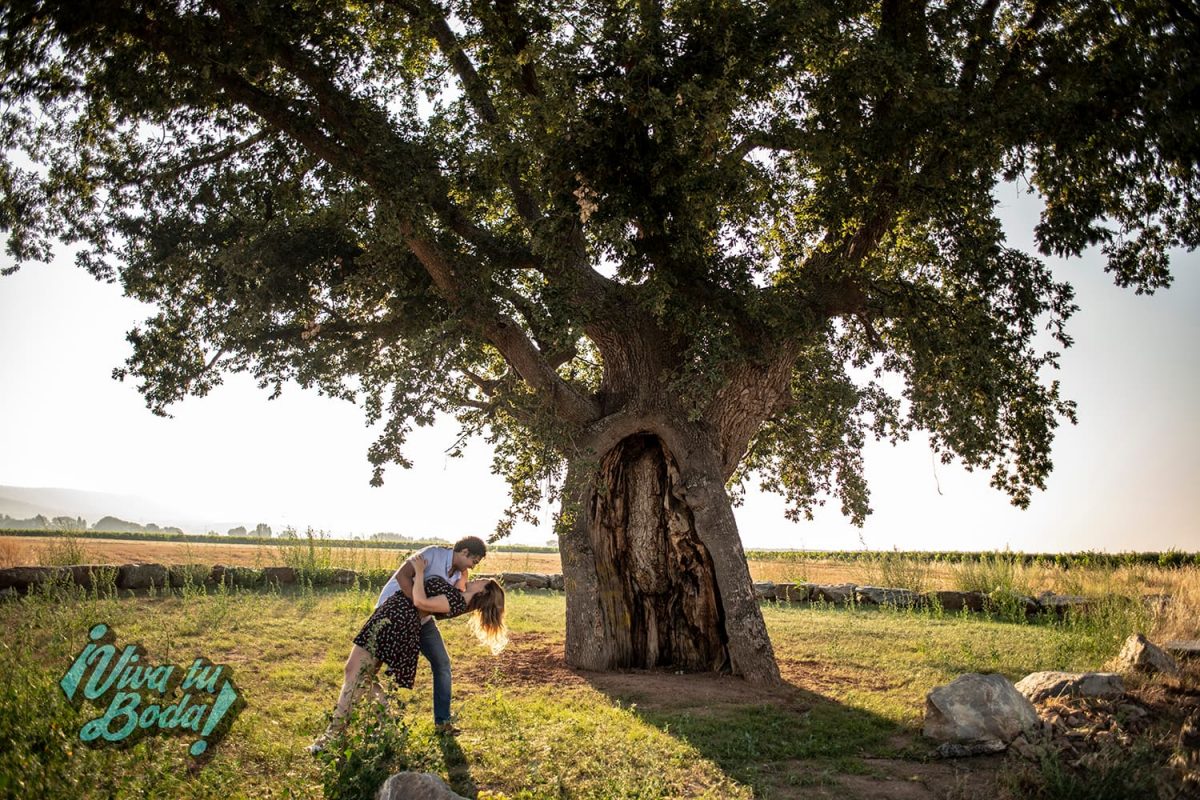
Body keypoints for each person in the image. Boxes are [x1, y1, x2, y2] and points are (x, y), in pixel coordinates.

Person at [307, 551, 506, 752]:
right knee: (356, 675)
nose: (478, 576)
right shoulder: (458, 592)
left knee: (356, 674)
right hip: (392, 615)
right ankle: (372, 732)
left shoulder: (457, 601)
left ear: (483, 592)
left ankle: (341, 736)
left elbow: (420, 602)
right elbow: (453, 584)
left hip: (396, 622)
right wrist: (462, 575)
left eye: (484, 581)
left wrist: (419, 572)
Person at [374, 537, 487, 730]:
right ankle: (377, 715)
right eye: (473, 561)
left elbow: (452, 603)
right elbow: (402, 577)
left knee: (442, 663)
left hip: (423, 620)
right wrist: (415, 607)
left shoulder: (462, 574)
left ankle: (442, 722)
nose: (473, 567)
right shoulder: (431, 554)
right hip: (392, 614)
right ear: (464, 552)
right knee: (369, 670)